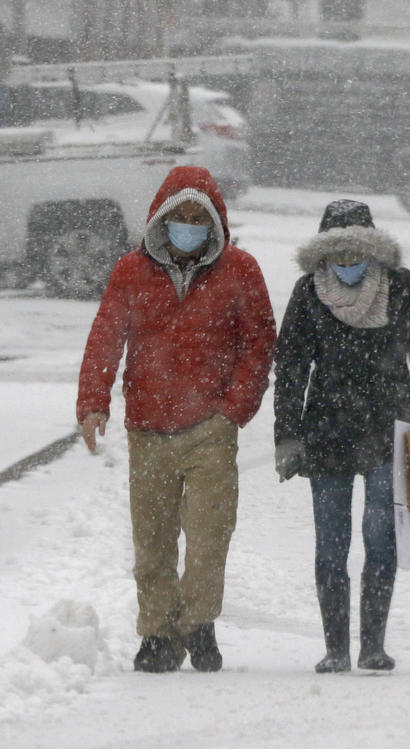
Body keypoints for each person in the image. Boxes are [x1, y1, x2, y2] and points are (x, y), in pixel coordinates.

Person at [76, 165, 276, 673]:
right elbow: (106, 337)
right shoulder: (130, 271)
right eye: (180, 215)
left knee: (209, 534)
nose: (189, 225)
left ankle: (199, 620)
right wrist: (93, 401)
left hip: (209, 429)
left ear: (214, 223)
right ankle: (159, 634)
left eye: (198, 217)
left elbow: (259, 342)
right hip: (148, 428)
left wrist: (233, 409)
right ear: (162, 219)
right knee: (153, 541)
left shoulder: (240, 271)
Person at [273, 200, 410, 673]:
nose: (348, 263)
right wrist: (288, 437)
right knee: (331, 542)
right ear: (322, 255)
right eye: (338, 254)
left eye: (357, 252)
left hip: (390, 430)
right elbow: (289, 365)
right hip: (326, 431)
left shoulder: (403, 287)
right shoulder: (309, 292)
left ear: (374, 249)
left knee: (381, 536)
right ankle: (335, 649)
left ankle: (372, 645)